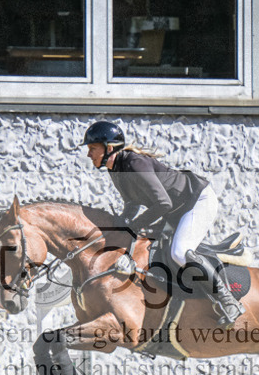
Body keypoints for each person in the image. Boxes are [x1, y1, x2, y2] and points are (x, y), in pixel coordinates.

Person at [80, 120, 243, 329]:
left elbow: (163, 203)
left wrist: (136, 225)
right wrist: (122, 224)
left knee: (180, 252)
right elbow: (132, 202)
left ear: (109, 148)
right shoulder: (116, 169)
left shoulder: (134, 164)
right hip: (176, 209)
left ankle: (228, 301)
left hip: (196, 201)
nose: (89, 154)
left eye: (92, 148)